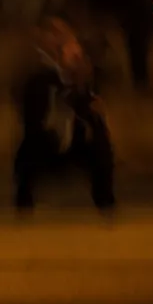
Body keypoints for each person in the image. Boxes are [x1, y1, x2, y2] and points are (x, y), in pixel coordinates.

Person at [14, 16, 115, 215]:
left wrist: (78, 77)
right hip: (45, 140)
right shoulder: (36, 76)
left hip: (76, 141)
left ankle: (105, 202)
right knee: (26, 155)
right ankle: (24, 204)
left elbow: (91, 106)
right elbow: (32, 113)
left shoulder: (82, 74)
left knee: (100, 146)